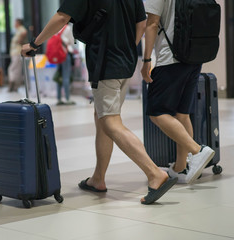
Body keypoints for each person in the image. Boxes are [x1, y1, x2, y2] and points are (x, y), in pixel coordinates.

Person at [22, 0, 178, 205]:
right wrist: (126, 50)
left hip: (106, 64)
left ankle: (154, 174)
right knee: (102, 117)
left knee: (110, 122)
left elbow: (62, 17)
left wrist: (34, 43)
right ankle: (98, 178)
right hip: (125, 62)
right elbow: (141, 23)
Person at [141, 0, 215, 184]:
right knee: (182, 114)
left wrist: (146, 60)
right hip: (194, 56)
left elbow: (151, 23)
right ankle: (181, 168)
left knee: (157, 113)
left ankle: (197, 150)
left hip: (170, 58)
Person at [55, 23, 76, 106]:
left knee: (59, 75)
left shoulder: (57, 27)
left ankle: (59, 98)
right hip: (65, 54)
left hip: (58, 54)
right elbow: (71, 41)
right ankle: (67, 98)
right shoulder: (68, 28)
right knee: (66, 76)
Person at [8, 19, 27, 92]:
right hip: (14, 52)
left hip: (17, 52)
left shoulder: (22, 30)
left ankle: (13, 83)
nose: (14, 24)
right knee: (15, 69)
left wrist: (20, 40)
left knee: (13, 69)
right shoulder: (17, 30)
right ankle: (14, 85)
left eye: (15, 22)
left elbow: (24, 34)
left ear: (18, 23)